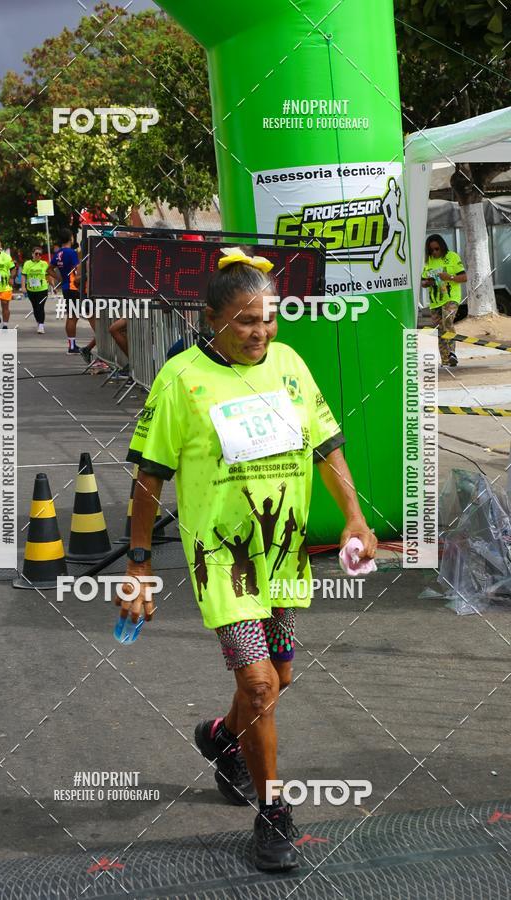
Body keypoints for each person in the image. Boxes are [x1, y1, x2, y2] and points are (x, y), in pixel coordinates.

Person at [120, 247, 376, 872]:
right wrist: (137, 566)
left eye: (267, 318)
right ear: (213, 319)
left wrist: (355, 517)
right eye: (243, 321)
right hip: (223, 558)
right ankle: (273, 812)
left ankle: (220, 738)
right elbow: (149, 478)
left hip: (283, 552)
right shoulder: (182, 380)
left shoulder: (289, 364)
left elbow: (327, 447)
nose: (259, 331)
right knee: (259, 684)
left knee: (277, 681)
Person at [421, 234, 467, 367]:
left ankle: (452, 353)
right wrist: (427, 283)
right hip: (435, 301)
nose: (435, 252)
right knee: (440, 330)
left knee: (448, 319)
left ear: (442, 247)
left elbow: (464, 277)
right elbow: (423, 281)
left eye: (437, 249)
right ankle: (446, 360)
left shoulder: (452, 257)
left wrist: (449, 277)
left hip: (451, 297)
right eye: (432, 250)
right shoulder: (427, 261)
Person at [49, 228, 95, 355]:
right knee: (90, 313)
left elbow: (49, 269)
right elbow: (77, 270)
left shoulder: (58, 253)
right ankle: (101, 340)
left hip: (66, 287)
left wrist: (61, 278)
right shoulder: (71, 253)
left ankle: (72, 345)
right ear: (71, 238)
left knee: (72, 317)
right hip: (75, 287)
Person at [21, 245, 51, 333]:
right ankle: (38, 322)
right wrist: (23, 287)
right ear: (32, 254)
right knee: (35, 308)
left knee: (40, 307)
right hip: (31, 290)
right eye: (36, 254)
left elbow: (48, 275)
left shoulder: (44, 264)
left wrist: (52, 285)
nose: (38, 255)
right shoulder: (27, 263)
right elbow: (23, 275)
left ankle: (41, 325)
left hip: (42, 289)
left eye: (40, 254)